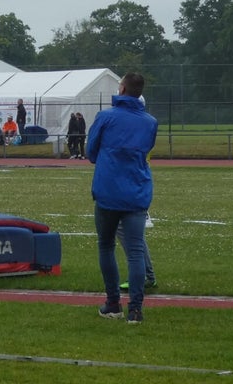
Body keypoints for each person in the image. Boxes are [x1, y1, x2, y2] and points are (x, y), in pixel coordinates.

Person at [86, 72, 158, 325]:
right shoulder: (150, 122)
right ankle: (135, 310)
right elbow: (145, 149)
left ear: (123, 88)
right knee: (136, 251)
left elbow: (90, 152)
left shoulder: (105, 117)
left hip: (108, 191)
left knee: (106, 246)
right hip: (137, 191)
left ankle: (113, 303)